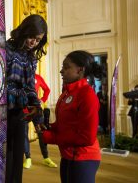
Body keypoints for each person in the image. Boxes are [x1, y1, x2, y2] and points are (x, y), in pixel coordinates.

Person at [42, 50, 103, 183]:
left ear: (80, 70)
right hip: (67, 156)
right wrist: (49, 127)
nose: (61, 71)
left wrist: (52, 137)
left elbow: (87, 137)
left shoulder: (87, 95)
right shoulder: (67, 93)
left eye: (66, 67)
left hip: (84, 158)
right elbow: (65, 124)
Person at [6, 14, 47, 183]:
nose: (34, 43)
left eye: (38, 40)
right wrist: (19, 94)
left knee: (17, 158)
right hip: (1, 111)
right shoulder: (6, 48)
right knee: (5, 157)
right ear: (24, 31)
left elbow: (30, 87)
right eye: (32, 37)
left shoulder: (31, 57)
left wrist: (37, 111)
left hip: (18, 113)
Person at [23, 73, 57, 169]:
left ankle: (46, 157)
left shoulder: (37, 77)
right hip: (24, 110)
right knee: (24, 134)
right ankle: (28, 158)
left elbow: (47, 89)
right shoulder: (20, 76)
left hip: (36, 110)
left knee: (42, 133)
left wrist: (42, 100)